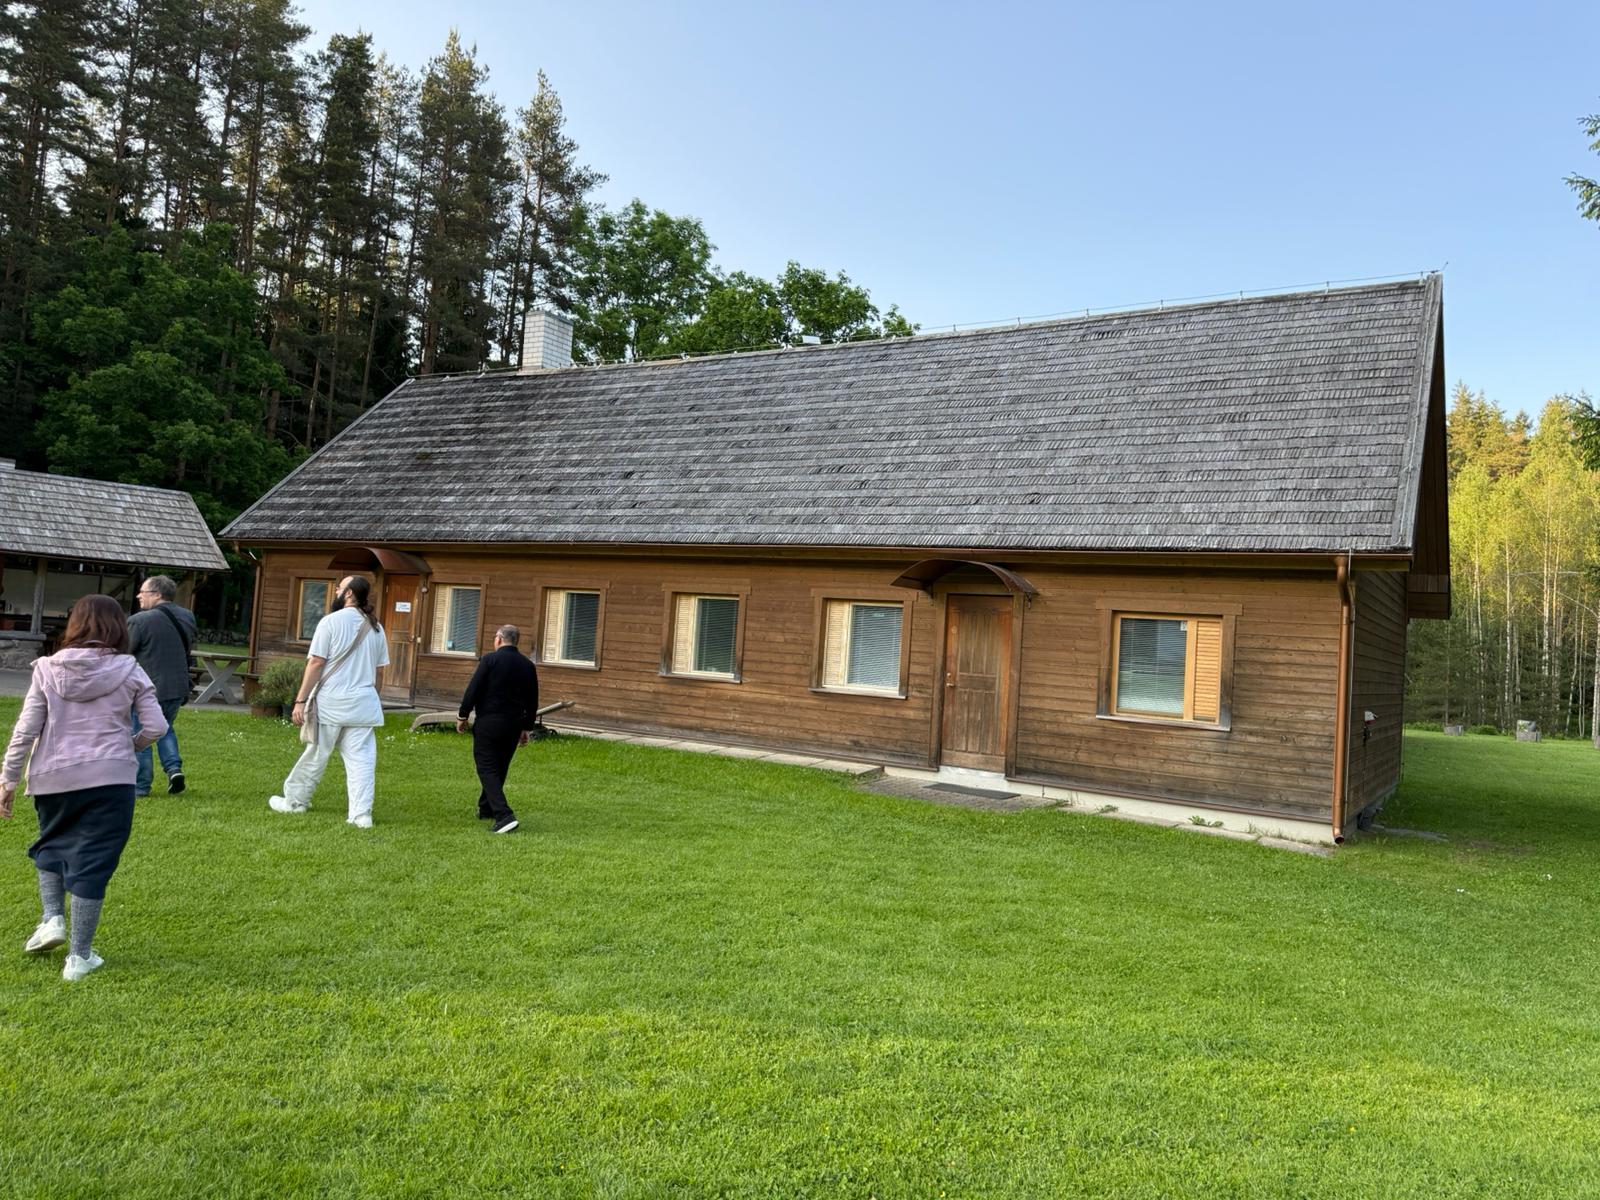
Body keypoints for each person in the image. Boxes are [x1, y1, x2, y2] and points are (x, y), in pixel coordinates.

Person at [0, 595, 167, 981]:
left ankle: (52, 919)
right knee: (94, 860)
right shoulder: (131, 669)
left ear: (74, 624)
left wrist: (8, 778)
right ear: (118, 627)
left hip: (53, 778)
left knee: (52, 842)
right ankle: (79, 957)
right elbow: (157, 727)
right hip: (112, 779)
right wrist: (131, 746)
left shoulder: (46, 668)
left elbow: (26, 730)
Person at [268, 575, 389, 827]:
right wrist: (369, 698)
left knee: (316, 755)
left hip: (332, 702)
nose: (335, 591)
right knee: (362, 761)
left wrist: (300, 701)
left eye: (339, 587)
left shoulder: (330, 622)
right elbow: (379, 672)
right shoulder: (376, 628)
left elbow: (316, 662)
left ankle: (295, 802)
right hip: (363, 704)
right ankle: (361, 815)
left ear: (349, 593)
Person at [456, 624, 540, 835]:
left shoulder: (490, 660)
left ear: (499, 639)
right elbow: (532, 700)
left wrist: (463, 715)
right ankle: (487, 808)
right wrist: (526, 727)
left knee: (486, 767)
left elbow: (473, 688)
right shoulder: (527, 665)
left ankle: (504, 815)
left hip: (489, 721)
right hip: (513, 723)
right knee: (500, 767)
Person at [127, 574, 197, 796]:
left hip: (148, 689)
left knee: (141, 734)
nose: (139, 596)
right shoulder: (187, 616)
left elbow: (124, 654)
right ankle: (174, 769)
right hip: (177, 687)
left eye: (143, 592)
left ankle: (140, 786)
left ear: (157, 594)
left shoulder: (139, 621)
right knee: (164, 727)